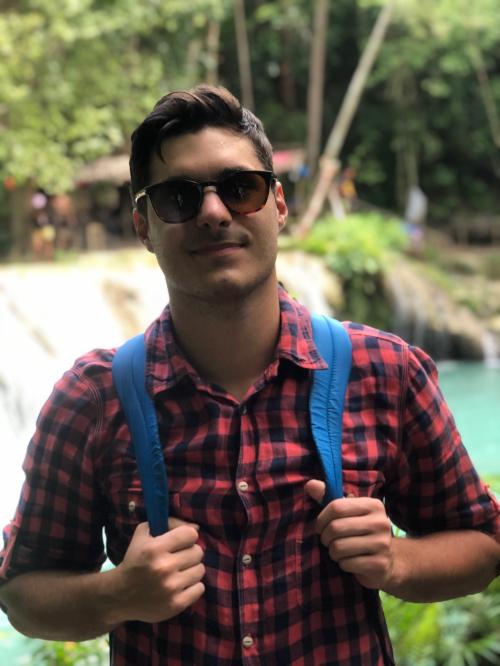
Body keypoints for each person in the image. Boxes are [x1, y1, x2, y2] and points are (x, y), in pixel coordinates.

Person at [0, 85, 498, 666]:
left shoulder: (386, 373)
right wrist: (119, 594)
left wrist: (396, 561)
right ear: (143, 226)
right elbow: (22, 593)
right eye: (179, 197)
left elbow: (483, 544)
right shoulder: (93, 398)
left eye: (240, 188)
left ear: (278, 205)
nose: (214, 213)